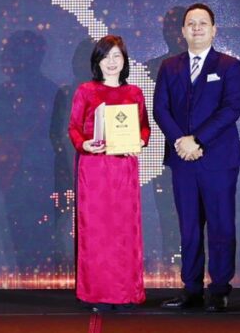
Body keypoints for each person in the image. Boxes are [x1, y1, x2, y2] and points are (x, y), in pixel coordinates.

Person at [154, 3, 240, 312]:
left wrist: (197, 140)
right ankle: (191, 289)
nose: (196, 28)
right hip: (182, 158)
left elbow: (231, 109)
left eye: (202, 23)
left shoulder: (229, 66)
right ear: (182, 31)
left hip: (218, 159)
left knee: (221, 226)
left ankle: (219, 289)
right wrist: (180, 141)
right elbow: (161, 109)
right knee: (189, 228)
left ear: (214, 29)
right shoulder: (169, 67)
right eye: (190, 23)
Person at [68, 35, 151, 310]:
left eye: (117, 56)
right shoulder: (86, 91)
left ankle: (126, 293)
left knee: (125, 230)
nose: (111, 62)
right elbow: (74, 128)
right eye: (106, 56)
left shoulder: (134, 93)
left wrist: (140, 141)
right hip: (94, 169)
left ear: (124, 60)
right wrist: (84, 144)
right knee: (96, 231)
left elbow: (144, 127)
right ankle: (96, 294)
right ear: (97, 61)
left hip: (124, 168)